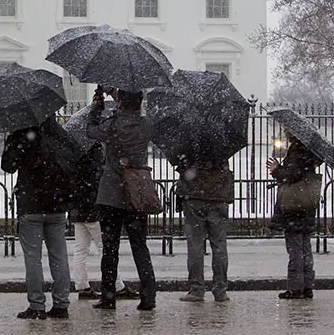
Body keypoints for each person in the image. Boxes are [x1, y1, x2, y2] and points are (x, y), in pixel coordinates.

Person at [87, 88, 157, 311]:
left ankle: (108, 297)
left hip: (111, 193)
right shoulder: (146, 125)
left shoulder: (112, 125)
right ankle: (148, 295)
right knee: (139, 245)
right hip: (136, 191)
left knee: (110, 248)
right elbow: (135, 115)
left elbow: (90, 131)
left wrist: (97, 107)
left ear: (120, 103)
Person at [1, 117, 77, 320]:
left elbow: (7, 166)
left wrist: (12, 142)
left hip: (31, 204)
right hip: (57, 204)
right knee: (59, 256)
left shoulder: (22, 133)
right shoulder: (60, 134)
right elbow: (75, 160)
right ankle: (61, 304)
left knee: (33, 258)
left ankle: (37, 305)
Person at [70, 138, 138, 300]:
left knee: (80, 249)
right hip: (94, 210)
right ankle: (117, 285)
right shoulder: (96, 155)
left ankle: (81, 286)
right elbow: (98, 182)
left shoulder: (74, 154)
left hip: (78, 209)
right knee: (105, 249)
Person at [169, 146, 234, 302]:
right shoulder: (222, 142)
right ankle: (220, 289)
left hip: (194, 198)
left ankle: (197, 289)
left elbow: (182, 169)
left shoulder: (189, 143)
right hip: (218, 198)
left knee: (195, 245)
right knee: (219, 245)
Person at [268, 131, 318, 300]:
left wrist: (276, 171)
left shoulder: (297, 150)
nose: (285, 133)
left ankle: (296, 288)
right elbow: (300, 173)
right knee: (305, 247)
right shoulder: (310, 151)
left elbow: (291, 176)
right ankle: (307, 286)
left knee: (295, 248)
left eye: (287, 131)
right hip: (307, 205)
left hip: (294, 207)